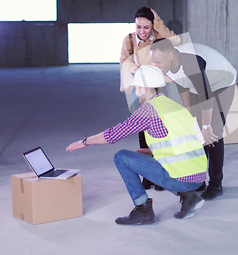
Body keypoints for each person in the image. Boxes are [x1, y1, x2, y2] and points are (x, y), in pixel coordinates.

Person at [66, 65, 207, 225]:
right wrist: (152, 150)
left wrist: (85, 142)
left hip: (181, 178)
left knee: (121, 157)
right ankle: (189, 197)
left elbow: (113, 135)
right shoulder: (172, 105)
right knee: (142, 156)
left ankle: (143, 210)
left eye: (136, 86)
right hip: (199, 175)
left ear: (144, 87)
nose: (134, 89)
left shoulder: (149, 110)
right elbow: (185, 140)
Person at [150, 38, 237, 200]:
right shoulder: (166, 64)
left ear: (170, 55)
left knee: (212, 134)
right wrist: (189, 116)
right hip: (199, 85)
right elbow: (182, 84)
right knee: (195, 132)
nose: (156, 66)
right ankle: (198, 181)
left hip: (222, 83)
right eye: (154, 62)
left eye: (158, 61)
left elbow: (206, 95)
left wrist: (206, 125)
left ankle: (216, 184)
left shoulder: (191, 63)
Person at [119, 7, 180, 190]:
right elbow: (124, 60)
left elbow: (176, 42)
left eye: (146, 27)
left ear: (152, 25)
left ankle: (162, 172)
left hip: (161, 88)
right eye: (138, 27)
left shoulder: (159, 37)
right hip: (141, 88)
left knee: (162, 131)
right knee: (144, 131)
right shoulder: (129, 39)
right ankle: (148, 174)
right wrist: (137, 70)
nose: (142, 31)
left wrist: (159, 23)